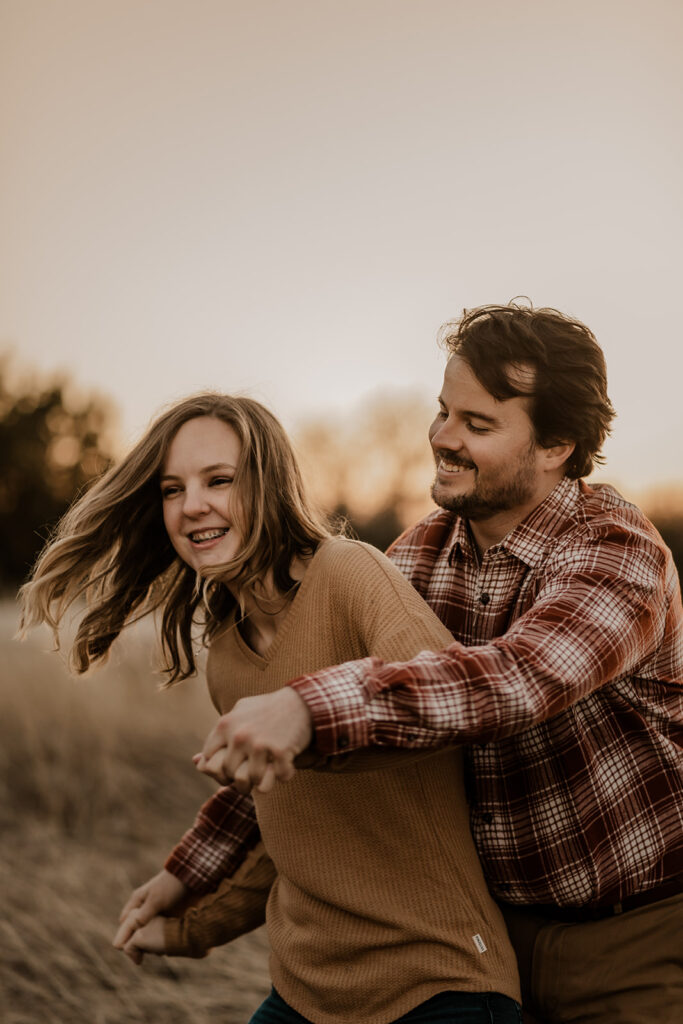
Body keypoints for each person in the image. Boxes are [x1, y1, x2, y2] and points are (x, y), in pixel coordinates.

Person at [119, 303, 683, 1024]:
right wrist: (188, 873)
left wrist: (307, 706)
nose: (442, 438)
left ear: (556, 445)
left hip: (631, 939)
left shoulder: (615, 551)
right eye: (443, 411)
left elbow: (515, 681)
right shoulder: (415, 555)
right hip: (486, 936)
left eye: (476, 425)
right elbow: (292, 756)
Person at [19, 393, 522, 1024]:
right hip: (302, 997)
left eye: (220, 480)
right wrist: (185, 909)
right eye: (173, 489)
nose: (193, 504)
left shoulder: (349, 572)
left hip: (439, 986)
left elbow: (447, 701)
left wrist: (308, 712)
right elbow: (282, 829)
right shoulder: (228, 656)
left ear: (270, 483)